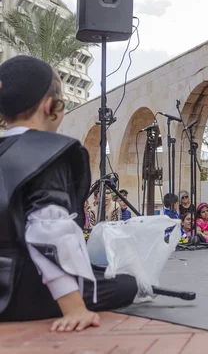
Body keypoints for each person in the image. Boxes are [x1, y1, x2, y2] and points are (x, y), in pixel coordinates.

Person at [0, 56, 138, 331]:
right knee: (125, 284)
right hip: (16, 293)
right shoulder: (48, 152)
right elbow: (48, 230)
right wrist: (73, 306)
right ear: (51, 105)